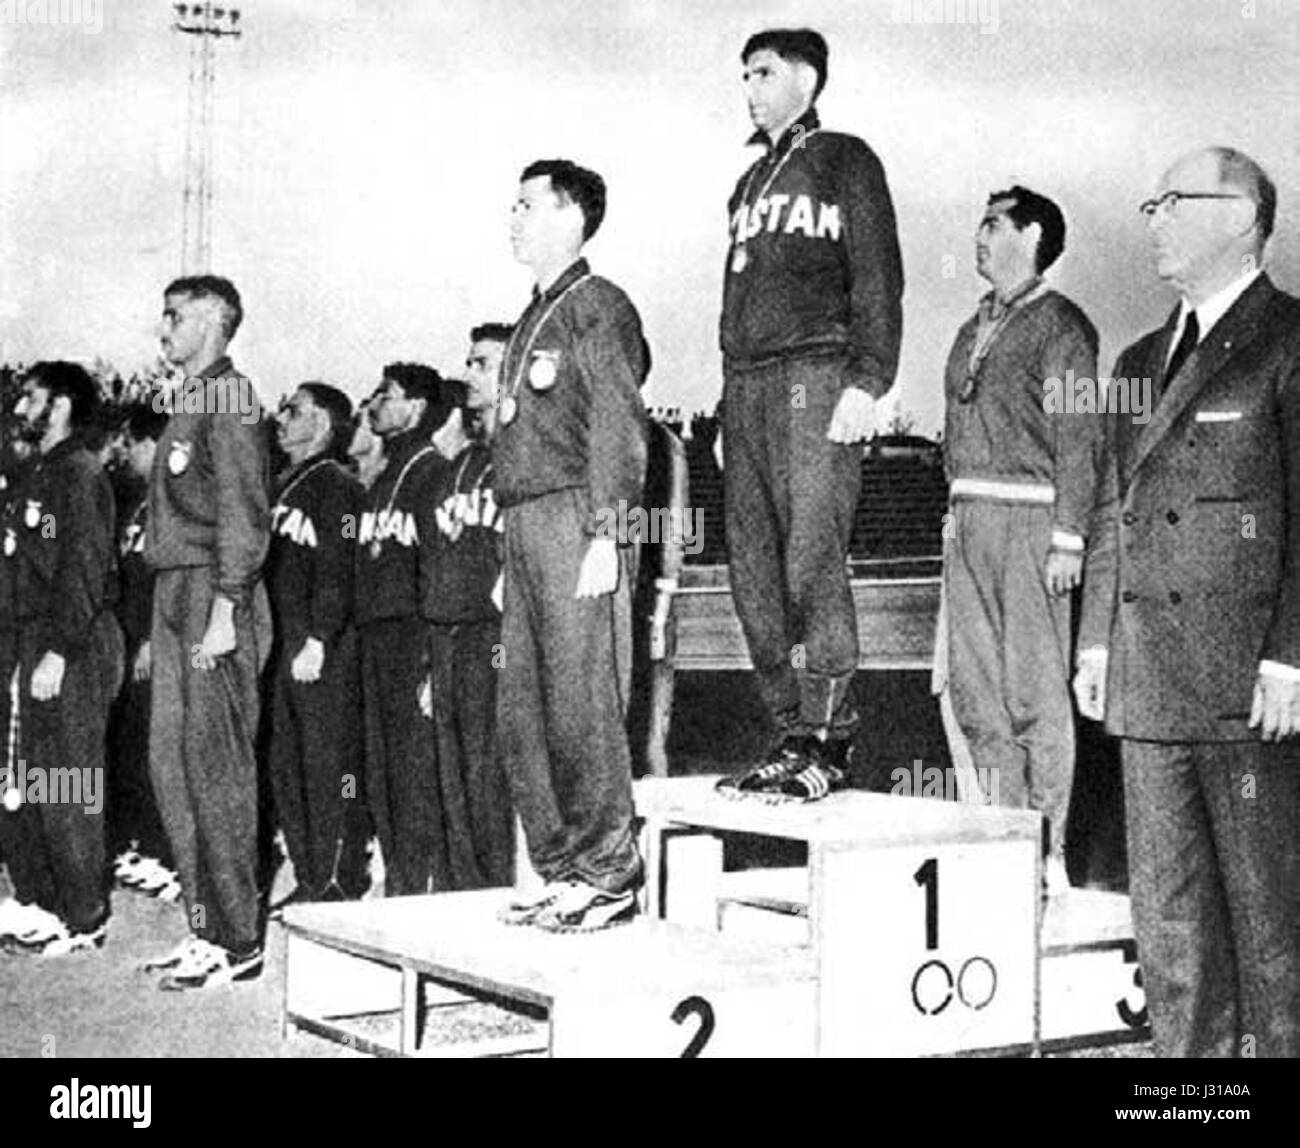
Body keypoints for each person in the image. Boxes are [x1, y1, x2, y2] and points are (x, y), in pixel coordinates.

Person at [1074, 147, 1300, 1057]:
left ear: (1242, 216)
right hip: (1149, 684)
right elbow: (1106, 509)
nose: (1154, 217)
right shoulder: (1135, 358)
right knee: (1168, 929)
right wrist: (1095, 645)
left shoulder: (1288, 341)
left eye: (1174, 200)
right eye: (1151, 201)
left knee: (1271, 926)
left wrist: (1291, 655)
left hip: (1251, 690)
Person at [715, 28, 904, 801]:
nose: (750, 88)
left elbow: (879, 275)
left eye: (763, 73)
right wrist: (729, 403)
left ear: (806, 78)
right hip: (749, 385)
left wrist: (869, 380)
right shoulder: (748, 182)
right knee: (752, 567)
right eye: (745, 76)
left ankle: (830, 736)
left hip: (818, 372)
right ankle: (789, 730)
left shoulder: (846, 159)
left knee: (811, 560)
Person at [495, 159, 649, 932]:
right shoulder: (532, 315)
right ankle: (560, 868)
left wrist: (610, 530)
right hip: (521, 524)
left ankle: (609, 871)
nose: (512, 217)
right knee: (522, 709)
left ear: (571, 217)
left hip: (573, 518)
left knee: (582, 700)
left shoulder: (600, 307)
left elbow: (619, 425)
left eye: (527, 205)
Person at [938, 187, 1101, 894]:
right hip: (968, 519)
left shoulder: (1063, 325)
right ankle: (1005, 841)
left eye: (993, 223)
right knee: (979, 696)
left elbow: (1079, 436)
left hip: (1032, 522)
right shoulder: (972, 325)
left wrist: (1068, 537)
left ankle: (1051, 852)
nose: (978, 235)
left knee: (1035, 693)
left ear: (1031, 234)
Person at [139, 275, 273, 990]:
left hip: (212, 593)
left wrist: (227, 607)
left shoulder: (229, 397)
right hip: (173, 589)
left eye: (175, 316)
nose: (162, 330)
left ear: (217, 322)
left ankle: (240, 938)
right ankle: (204, 927)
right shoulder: (188, 402)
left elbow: (245, 516)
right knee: (172, 765)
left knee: (216, 768)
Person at [0, 361, 124, 955]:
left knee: (69, 781)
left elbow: (83, 570)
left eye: (31, 398)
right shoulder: (41, 475)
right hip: (33, 639)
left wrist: (59, 650)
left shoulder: (79, 475)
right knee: (32, 777)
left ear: (62, 406)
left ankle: (85, 916)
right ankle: (46, 903)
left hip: (70, 643)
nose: (20, 408)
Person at [416, 325, 515, 890]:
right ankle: (460, 902)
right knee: (452, 784)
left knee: (488, 782)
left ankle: (496, 898)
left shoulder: (521, 459)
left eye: (482, 364)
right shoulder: (458, 464)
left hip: (492, 638)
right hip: (447, 638)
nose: (468, 374)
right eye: (469, 362)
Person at [354, 363, 457, 896]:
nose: (371, 403)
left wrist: (428, 662)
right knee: (381, 770)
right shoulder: (384, 475)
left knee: (414, 770)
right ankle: (398, 877)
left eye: (385, 395)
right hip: (375, 639)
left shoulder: (432, 473)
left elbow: (436, 568)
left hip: (411, 639)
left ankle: (418, 883)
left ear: (416, 407)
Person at [267, 382, 370, 905]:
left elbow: (340, 567)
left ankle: (337, 877)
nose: (282, 418)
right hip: (280, 648)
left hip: (318, 650)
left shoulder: (339, 486)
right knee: (288, 768)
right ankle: (308, 876)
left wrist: (321, 637)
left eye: (295, 411)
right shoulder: (282, 483)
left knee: (329, 767)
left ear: (324, 425)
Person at [106, 404, 180, 900]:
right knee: (132, 749)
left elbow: (170, 578)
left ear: (152, 444)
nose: (124, 453)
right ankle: (148, 847)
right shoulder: (139, 501)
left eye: (130, 443)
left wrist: (155, 638)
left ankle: (171, 856)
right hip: (130, 641)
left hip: (157, 643)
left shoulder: (175, 500)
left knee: (161, 752)